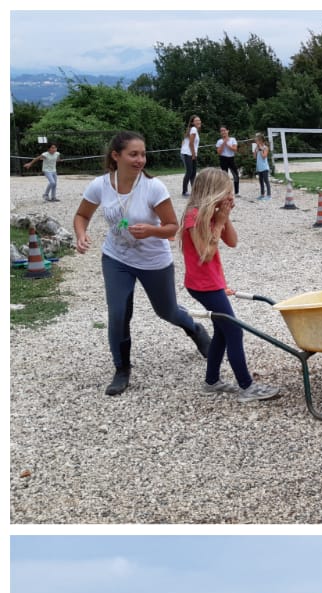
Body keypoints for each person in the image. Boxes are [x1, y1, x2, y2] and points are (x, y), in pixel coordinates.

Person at [73, 130, 213, 397]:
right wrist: (81, 235)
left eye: (143, 154)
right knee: (118, 313)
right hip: (117, 258)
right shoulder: (100, 185)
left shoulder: (153, 188)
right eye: (133, 154)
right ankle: (122, 368)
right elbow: (81, 215)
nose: (140, 160)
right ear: (116, 156)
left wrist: (151, 230)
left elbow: (173, 228)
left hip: (153, 260)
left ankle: (194, 329)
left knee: (167, 311)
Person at [181, 168, 280, 401]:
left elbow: (233, 242)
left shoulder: (212, 214)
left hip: (213, 282)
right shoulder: (193, 217)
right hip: (202, 284)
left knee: (223, 331)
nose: (230, 196)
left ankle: (212, 381)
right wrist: (219, 221)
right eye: (226, 191)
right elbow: (205, 254)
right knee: (234, 331)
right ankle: (246, 386)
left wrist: (224, 218)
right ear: (212, 192)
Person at [215, 125, 240, 195]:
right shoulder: (219, 141)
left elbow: (235, 149)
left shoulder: (233, 139)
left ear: (227, 131)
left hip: (231, 158)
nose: (223, 132)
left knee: (236, 175)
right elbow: (219, 152)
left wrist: (227, 144)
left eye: (224, 130)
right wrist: (223, 143)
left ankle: (237, 192)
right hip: (223, 159)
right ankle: (225, 192)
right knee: (224, 176)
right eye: (221, 131)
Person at [180, 117, 201, 197]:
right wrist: (193, 154)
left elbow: (184, 141)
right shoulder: (193, 129)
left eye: (199, 120)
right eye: (196, 120)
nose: (198, 121)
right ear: (192, 122)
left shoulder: (193, 130)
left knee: (193, 172)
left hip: (190, 153)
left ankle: (194, 191)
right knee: (189, 172)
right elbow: (191, 143)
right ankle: (184, 191)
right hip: (188, 153)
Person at [252, 134, 272, 200]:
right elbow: (254, 157)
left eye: (256, 141)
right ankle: (262, 194)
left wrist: (260, 150)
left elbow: (264, 157)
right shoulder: (257, 148)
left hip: (264, 167)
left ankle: (269, 195)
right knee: (261, 181)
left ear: (260, 141)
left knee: (266, 181)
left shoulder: (265, 147)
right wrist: (255, 151)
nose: (255, 142)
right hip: (259, 167)